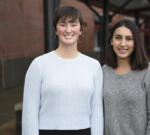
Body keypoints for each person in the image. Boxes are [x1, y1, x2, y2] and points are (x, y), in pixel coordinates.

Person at [22, 6, 103, 135]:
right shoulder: (38, 65)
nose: (68, 30)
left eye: (73, 24)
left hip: (84, 131)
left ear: (81, 29)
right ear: (55, 29)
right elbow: (29, 114)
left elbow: (97, 112)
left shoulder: (94, 66)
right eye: (63, 24)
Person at [103, 19, 150, 135]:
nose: (122, 44)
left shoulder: (149, 72)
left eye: (129, 39)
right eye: (118, 38)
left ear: (136, 42)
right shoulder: (104, 71)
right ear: (111, 41)